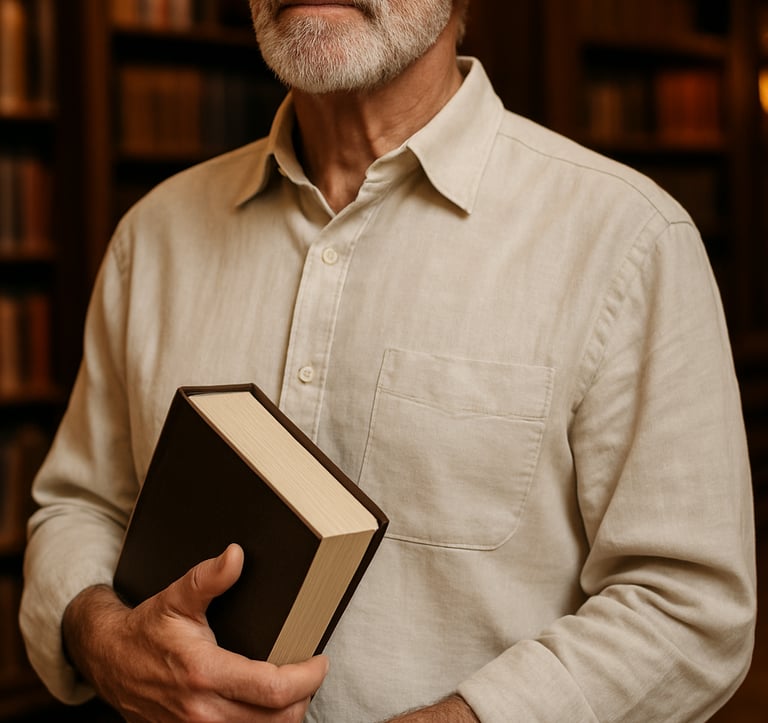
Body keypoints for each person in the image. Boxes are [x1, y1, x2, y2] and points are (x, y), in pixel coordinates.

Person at [20, 0, 756, 720]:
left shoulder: (628, 240)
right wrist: (106, 641)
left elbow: (689, 609)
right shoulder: (150, 237)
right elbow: (80, 505)